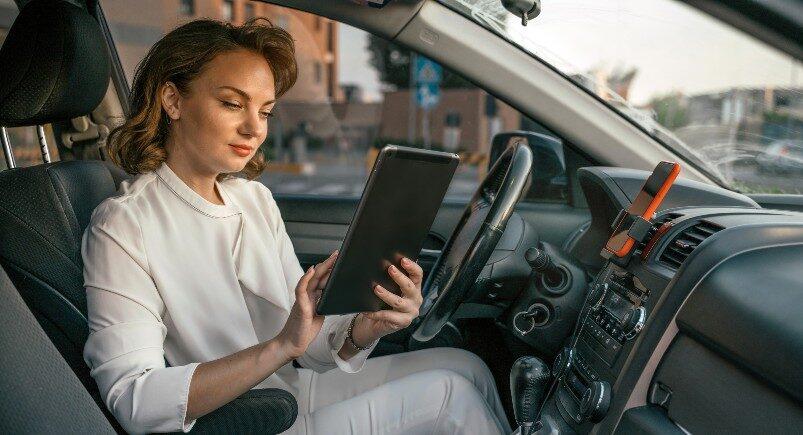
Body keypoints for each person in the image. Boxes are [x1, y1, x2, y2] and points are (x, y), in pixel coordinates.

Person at [82, 18, 510, 435]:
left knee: (465, 366)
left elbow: (310, 344)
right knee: (451, 396)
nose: (254, 128)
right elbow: (134, 400)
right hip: (242, 422)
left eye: (264, 111)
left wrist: (368, 327)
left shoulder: (254, 199)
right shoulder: (124, 225)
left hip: (286, 391)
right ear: (172, 101)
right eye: (232, 103)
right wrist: (281, 347)